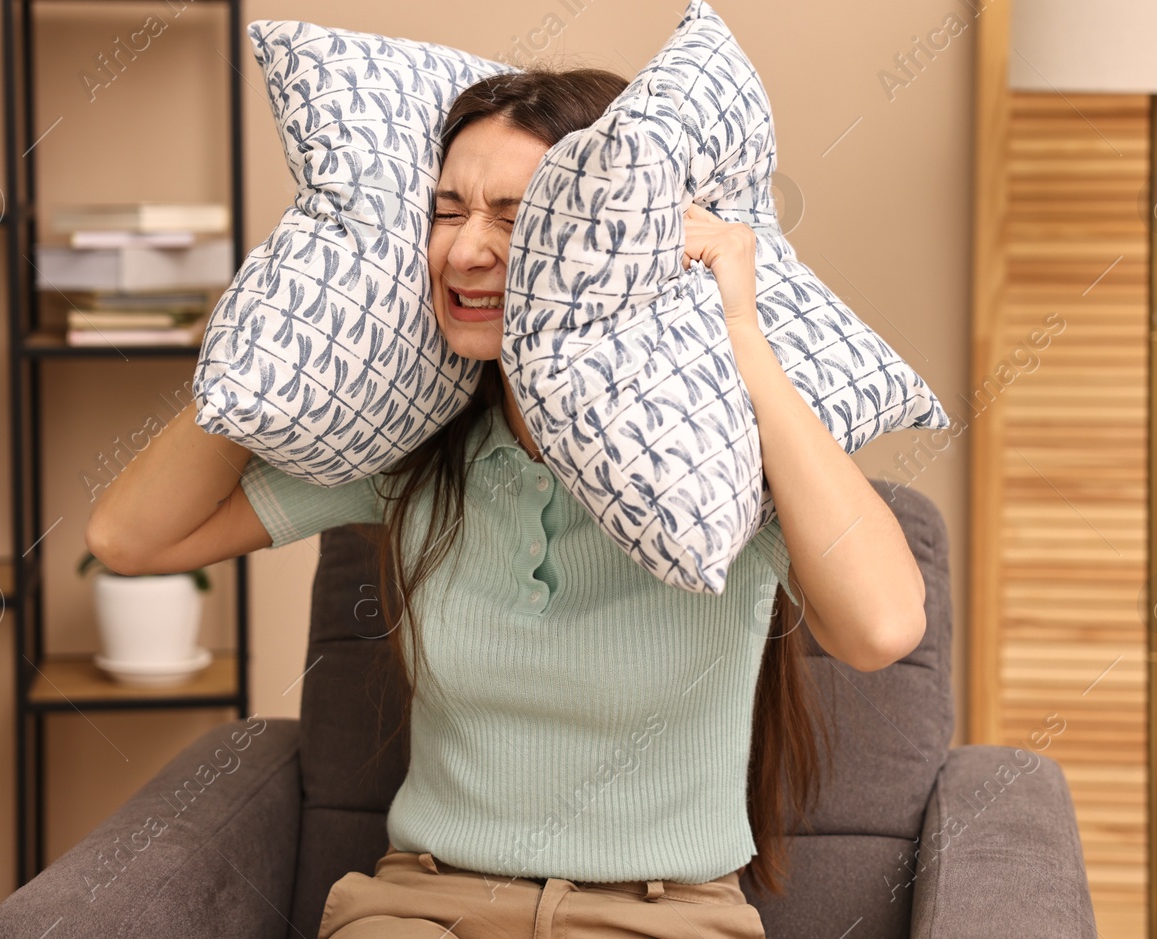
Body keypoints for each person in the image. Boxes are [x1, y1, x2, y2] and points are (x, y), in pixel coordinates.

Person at [84, 67, 927, 939]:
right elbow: (128, 538)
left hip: (660, 917)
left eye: (516, 217)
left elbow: (882, 627)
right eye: (449, 212)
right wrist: (277, 339)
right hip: (423, 905)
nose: (465, 250)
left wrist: (739, 330)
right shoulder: (412, 453)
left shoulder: (716, 471)